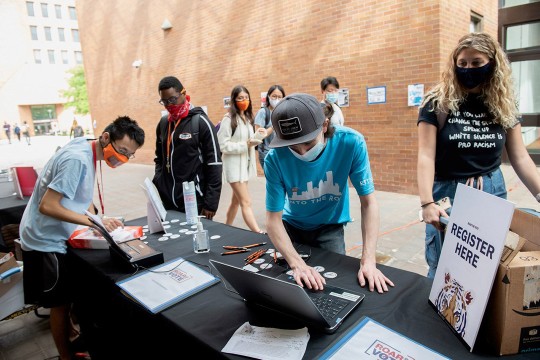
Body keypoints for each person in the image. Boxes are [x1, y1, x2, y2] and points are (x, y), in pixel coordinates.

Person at [19, 116, 145, 360]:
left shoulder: (88, 147)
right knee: (61, 303)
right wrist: (92, 222)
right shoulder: (77, 159)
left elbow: (80, 193)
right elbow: (48, 205)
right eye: (121, 151)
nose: (123, 159)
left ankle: (74, 339)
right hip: (44, 238)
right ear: (106, 137)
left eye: (129, 155)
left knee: (68, 297)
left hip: (55, 234)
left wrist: (98, 217)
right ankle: (65, 356)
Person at [417, 32, 540, 279]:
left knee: (485, 270)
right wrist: (426, 202)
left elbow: (520, 157)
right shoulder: (437, 101)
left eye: (476, 63)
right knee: (444, 269)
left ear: (492, 64)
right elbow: (425, 156)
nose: (468, 69)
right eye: (462, 63)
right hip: (448, 194)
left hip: (492, 190)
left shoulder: (503, 103)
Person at [264, 93, 394, 292]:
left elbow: (368, 202)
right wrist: (297, 264)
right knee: (291, 285)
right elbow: (273, 219)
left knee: (336, 287)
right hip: (292, 226)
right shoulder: (274, 158)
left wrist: (368, 260)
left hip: (330, 227)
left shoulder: (350, 143)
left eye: (308, 143)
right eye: (292, 145)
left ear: (324, 126)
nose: (302, 152)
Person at [153, 76, 222, 220]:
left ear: (183, 94)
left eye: (172, 99)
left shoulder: (201, 122)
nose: (168, 105)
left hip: (194, 200)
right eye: (164, 102)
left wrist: (211, 203)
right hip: (168, 200)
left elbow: (214, 163)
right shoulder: (164, 123)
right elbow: (159, 157)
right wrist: (159, 182)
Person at [217, 85, 264, 233]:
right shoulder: (228, 119)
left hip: (244, 166)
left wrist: (257, 136)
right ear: (234, 100)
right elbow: (223, 145)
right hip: (233, 167)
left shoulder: (247, 118)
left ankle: (227, 227)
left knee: (235, 202)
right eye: (240, 98)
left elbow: (248, 141)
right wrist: (246, 144)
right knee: (246, 201)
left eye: (246, 97)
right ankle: (257, 231)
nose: (244, 101)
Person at [254, 85, 285, 172]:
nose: (277, 99)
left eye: (280, 97)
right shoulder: (263, 112)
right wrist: (273, 126)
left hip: (281, 151)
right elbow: (257, 136)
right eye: (274, 96)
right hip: (267, 152)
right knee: (273, 179)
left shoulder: (281, 113)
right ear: (268, 97)